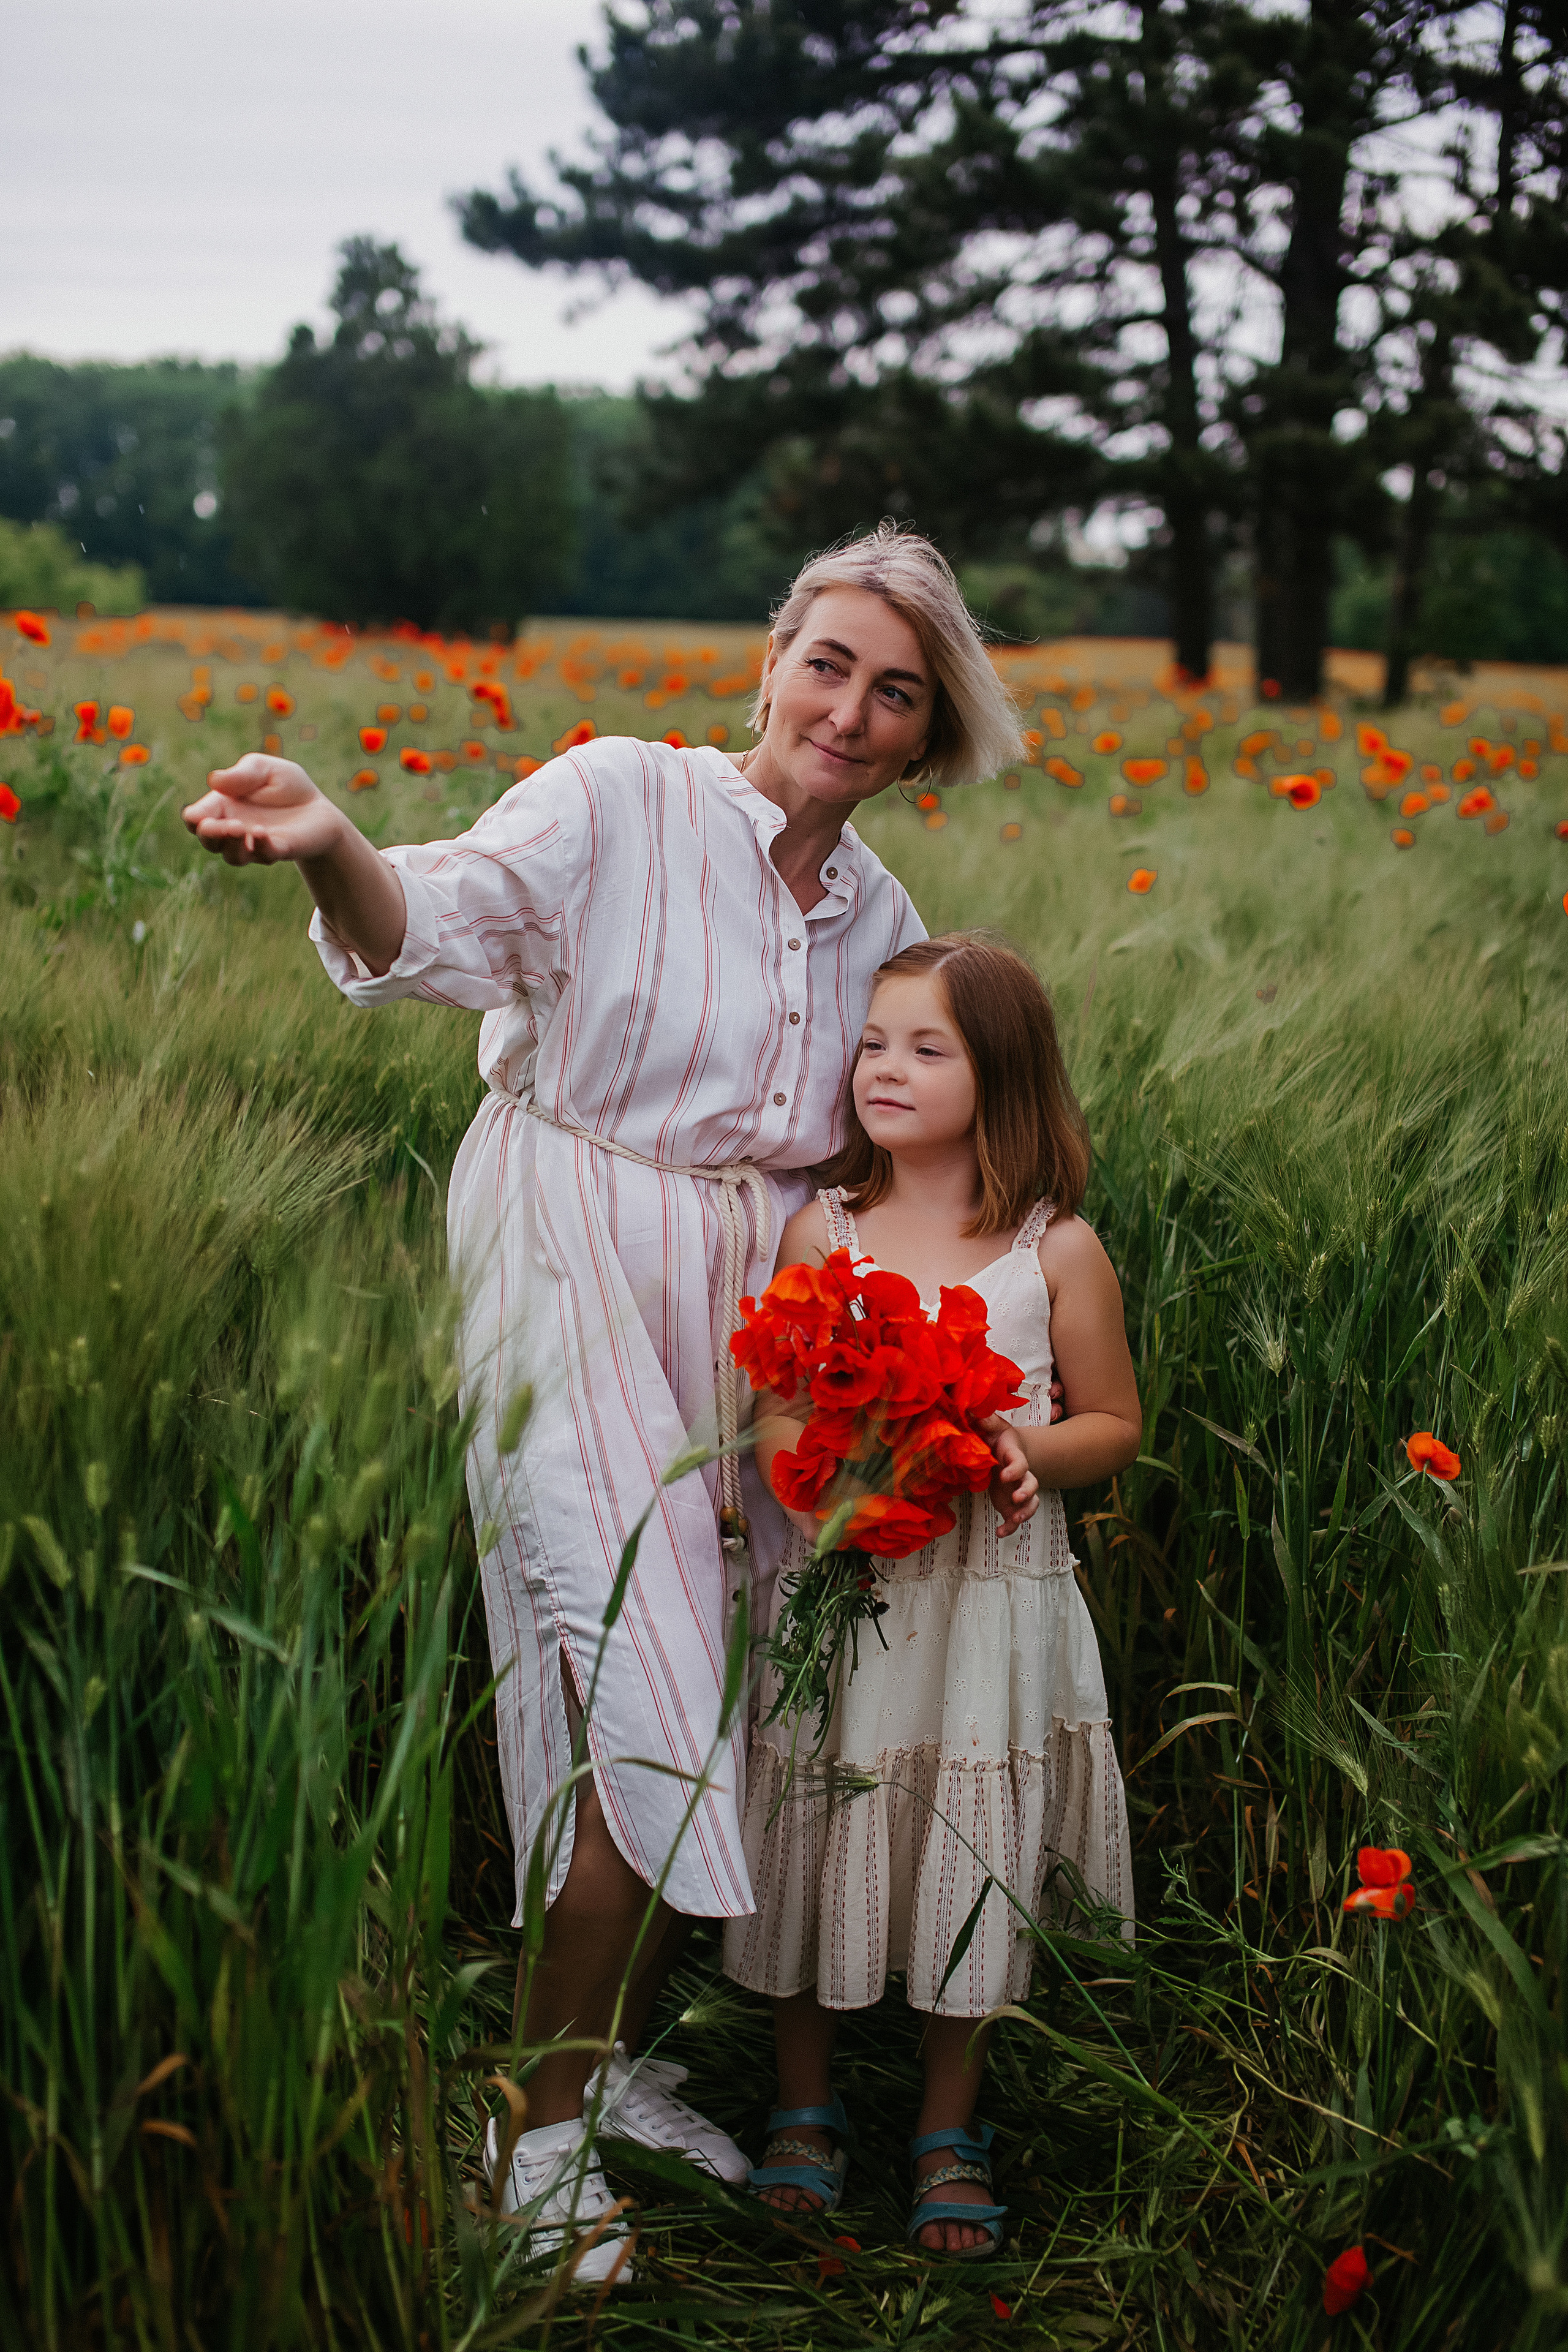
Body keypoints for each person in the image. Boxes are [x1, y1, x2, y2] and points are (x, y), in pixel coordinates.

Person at [181, 526, 1029, 2280]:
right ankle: (535, 2143)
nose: (851, 713)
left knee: (696, 1685)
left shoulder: (879, 916)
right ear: (770, 660)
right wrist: (334, 842)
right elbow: (432, 924)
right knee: (652, 1691)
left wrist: (944, 1360)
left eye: (897, 695)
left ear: (927, 739)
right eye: (830, 664)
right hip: (562, 1241)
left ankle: (609, 2069)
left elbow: (891, 1149)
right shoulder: (616, 798)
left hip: (745, 1315)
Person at [725, 932, 1141, 2258]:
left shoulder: (1052, 1251)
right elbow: (778, 1409)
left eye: (925, 1047)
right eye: (869, 1043)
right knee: (818, 1815)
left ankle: (943, 2121)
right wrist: (836, 1473)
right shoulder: (821, 1230)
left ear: (1002, 1075)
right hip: (853, 1589)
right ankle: (803, 2104)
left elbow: (1113, 1423)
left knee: (970, 1841)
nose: (883, 1070)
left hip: (987, 1605)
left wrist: (1020, 1448)